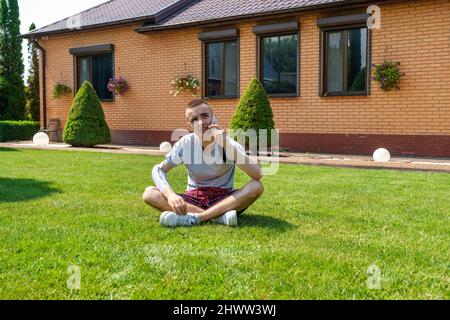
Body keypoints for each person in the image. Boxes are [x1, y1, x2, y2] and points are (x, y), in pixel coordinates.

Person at [143, 99, 264, 227]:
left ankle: (197, 218)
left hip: (224, 198)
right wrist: (171, 195)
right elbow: (159, 169)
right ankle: (218, 218)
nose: (201, 123)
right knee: (150, 193)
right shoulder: (185, 143)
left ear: (214, 118)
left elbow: (257, 174)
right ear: (190, 125)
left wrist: (225, 145)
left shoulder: (229, 143)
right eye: (194, 119)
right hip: (194, 198)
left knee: (256, 186)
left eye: (205, 116)